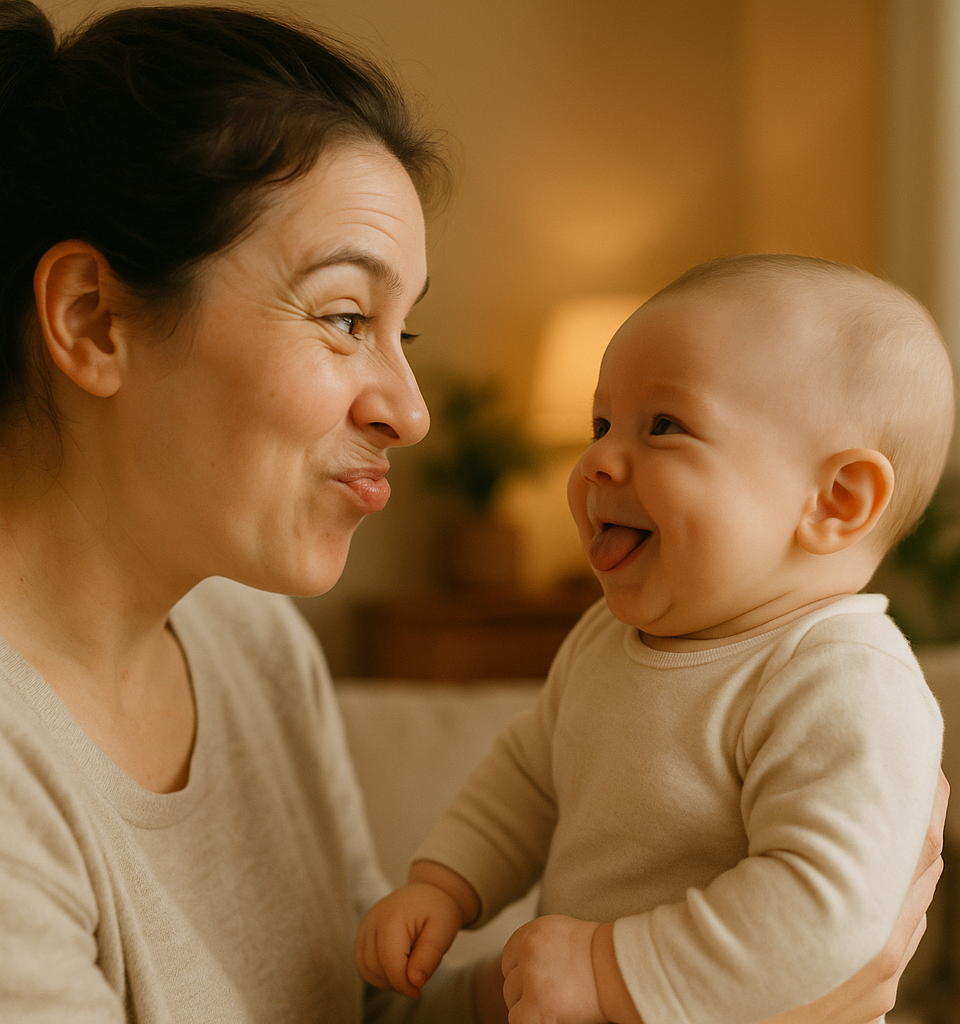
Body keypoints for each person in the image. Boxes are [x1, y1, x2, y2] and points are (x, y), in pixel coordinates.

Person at [0, 0, 944, 1020]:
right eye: (343, 317)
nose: (409, 413)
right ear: (90, 319)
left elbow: (358, 1010)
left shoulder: (248, 643)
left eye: (402, 335)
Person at [356, 255, 954, 1024]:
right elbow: (529, 776)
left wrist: (607, 970)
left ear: (835, 501)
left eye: (664, 426)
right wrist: (444, 884)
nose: (598, 458)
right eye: (601, 425)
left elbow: (827, 909)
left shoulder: (843, 679)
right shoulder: (606, 636)